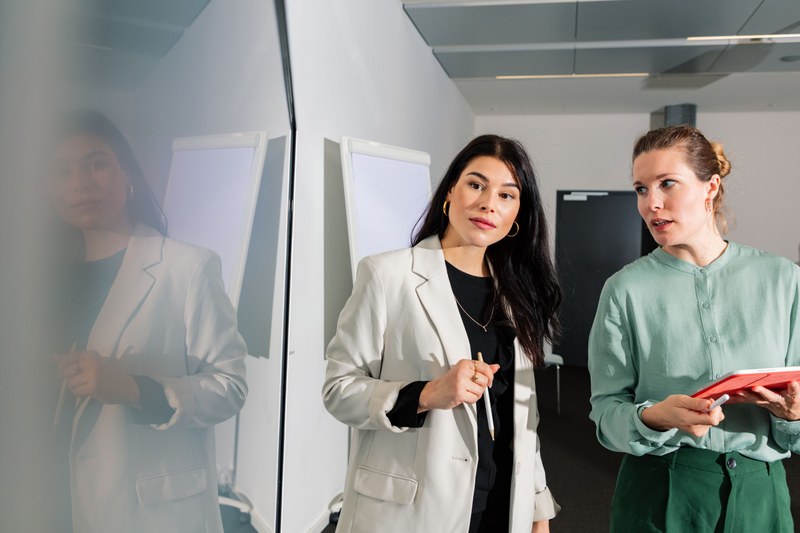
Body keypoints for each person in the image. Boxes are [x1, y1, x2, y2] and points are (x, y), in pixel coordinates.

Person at [323, 134, 561, 532]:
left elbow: (523, 414)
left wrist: (538, 506)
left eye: (507, 195)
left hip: (501, 507)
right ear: (450, 191)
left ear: (518, 214)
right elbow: (338, 390)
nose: (488, 203)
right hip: (414, 512)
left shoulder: (514, 294)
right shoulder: (387, 275)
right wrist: (426, 393)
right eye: (476, 184)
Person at [589, 125, 800, 532]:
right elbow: (605, 413)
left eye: (667, 183)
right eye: (641, 189)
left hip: (761, 496)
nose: (652, 203)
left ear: (711, 187)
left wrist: (793, 417)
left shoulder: (784, 280)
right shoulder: (624, 290)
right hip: (659, 490)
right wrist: (653, 418)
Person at [48, 109, 248, 533]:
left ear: (128, 174)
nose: (80, 183)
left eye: (96, 163)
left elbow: (230, 387)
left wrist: (136, 389)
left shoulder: (187, 267)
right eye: (61, 171)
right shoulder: (35, 282)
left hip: (145, 513)